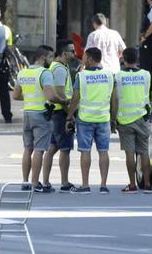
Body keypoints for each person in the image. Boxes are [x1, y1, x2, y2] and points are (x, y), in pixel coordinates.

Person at [13, 45, 68, 193]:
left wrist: (31, 96)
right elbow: (50, 96)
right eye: (50, 57)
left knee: (27, 149)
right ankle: (36, 183)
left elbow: (16, 95)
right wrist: (62, 101)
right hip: (41, 114)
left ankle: (25, 181)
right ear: (43, 58)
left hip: (27, 113)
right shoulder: (45, 73)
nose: (52, 60)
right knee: (39, 150)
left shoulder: (22, 72)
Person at [66, 47, 113, 195]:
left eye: (85, 57)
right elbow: (115, 98)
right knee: (103, 151)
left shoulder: (82, 76)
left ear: (91, 59)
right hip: (104, 118)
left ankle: (85, 185)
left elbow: (75, 98)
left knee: (85, 151)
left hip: (85, 119)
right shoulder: (109, 75)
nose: (82, 59)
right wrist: (114, 117)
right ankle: (103, 185)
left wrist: (69, 115)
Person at [111, 48, 152, 194]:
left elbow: (115, 99)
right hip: (142, 117)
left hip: (124, 119)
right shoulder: (146, 75)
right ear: (137, 59)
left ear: (123, 59)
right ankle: (147, 184)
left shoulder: (117, 76)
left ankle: (132, 184)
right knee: (144, 152)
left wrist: (113, 118)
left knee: (129, 153)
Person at [42, 40, 77, 193]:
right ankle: (64, 182)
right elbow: (60, 92)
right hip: (60, 112)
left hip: (55, 112)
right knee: (65, 148)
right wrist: (69, 113)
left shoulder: (61, 66)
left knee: (52, 147)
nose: (75, 54)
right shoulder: (60, 69)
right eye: (72, 51)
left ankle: (46, 181)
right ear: (64, 53)